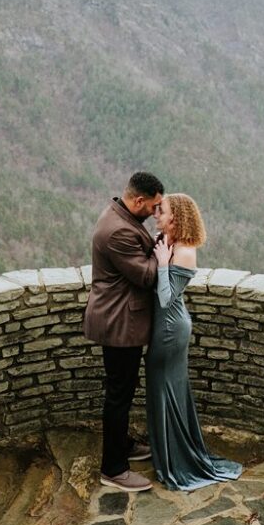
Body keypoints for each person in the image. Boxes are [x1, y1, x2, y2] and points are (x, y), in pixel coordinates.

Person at [146, 193, 242, 490]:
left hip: (171, 329)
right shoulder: (168, 243)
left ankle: (178, 461)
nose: (155, 215)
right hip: (165, 327)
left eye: (160, 211)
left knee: (165, 392)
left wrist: (163, 264)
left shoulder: (184, 252)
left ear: (175, 216)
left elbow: (165, 298)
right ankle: (167, 452)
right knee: (162, 390)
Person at [83, 171, 164, 493]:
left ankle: (125, 444)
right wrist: (165, 248)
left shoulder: (122, 217)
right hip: (119, 323)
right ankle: (113, 468)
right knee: (118, 396)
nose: (157, 213)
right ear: (139, 200)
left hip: (122, 320)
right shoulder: (117, 231)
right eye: (155, 207)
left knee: (124, 390)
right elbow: (145, 276)